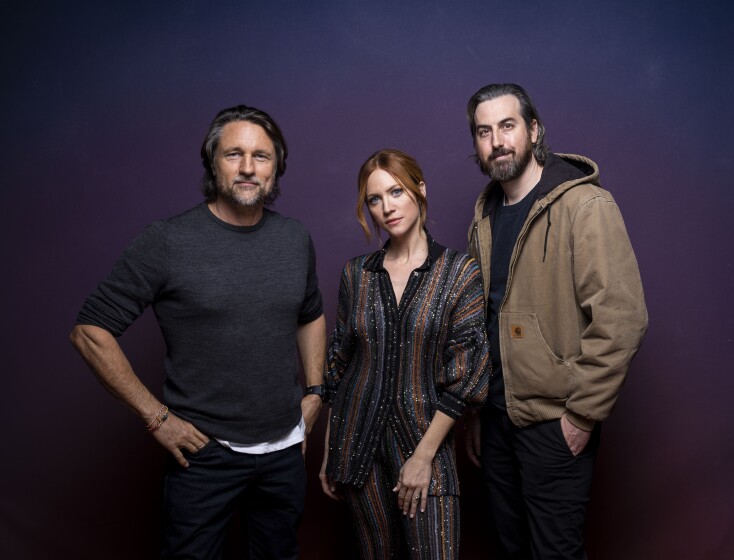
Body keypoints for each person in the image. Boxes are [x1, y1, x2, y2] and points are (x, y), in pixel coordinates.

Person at [70, 105, 326, 559]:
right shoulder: (168, 241)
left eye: (261, 156)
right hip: (204, 454)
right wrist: (156, 417)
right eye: (234, 154)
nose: (248, 168)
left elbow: (310, 314)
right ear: (213, 162)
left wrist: (315, 391)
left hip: (285, 450)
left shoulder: (294, 238)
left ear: (276, 167)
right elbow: (90, 331)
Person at [463, 83, 649, 559]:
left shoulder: (585, 206)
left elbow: (622, 318)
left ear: (534, 130)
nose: (497, 141)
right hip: (498, 420)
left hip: (554, 421)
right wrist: (480, 411)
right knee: (512, 549)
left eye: (507, 126)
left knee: (555, 554)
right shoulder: (484, 217)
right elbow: (484, 321)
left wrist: (581, 415)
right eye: (484, 132)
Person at [319, 149, 490, 559]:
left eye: (396, 191)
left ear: (420, 190)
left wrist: (423, 457)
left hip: (424, 442)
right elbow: (339, 365)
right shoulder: (356, 274)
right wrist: (330, 451)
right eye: (375, 199)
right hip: (357, 449)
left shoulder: (457, 272)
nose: (386, 207)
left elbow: (468, 374)